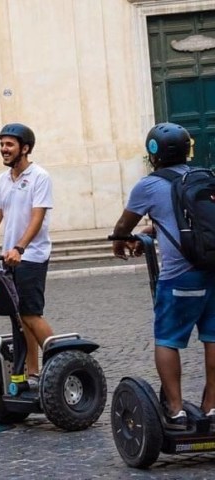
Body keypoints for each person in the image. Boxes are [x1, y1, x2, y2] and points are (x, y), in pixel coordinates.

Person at [111, 122, 215, 430]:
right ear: (187, 150)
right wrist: (155, 227)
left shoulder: (148, 186)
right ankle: (212, 408)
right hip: (213, 271)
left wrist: (122, 238)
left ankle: (175, 409)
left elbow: (122, 226)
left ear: (153, 154)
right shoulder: (205, 178)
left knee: (167, 339)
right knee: (212, 337)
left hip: (179, 278)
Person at [0, 123, 55, 388]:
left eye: (9, 144)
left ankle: (62, 361)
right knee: (19, 317)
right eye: (2, 144)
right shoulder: (3, 180)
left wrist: (20, 248)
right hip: (10, 258)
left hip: (32, 255)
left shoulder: (40, 177)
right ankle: (34, 372)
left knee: (31, 314)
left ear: (24, 148)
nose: (3, 149)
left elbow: (37, 218)